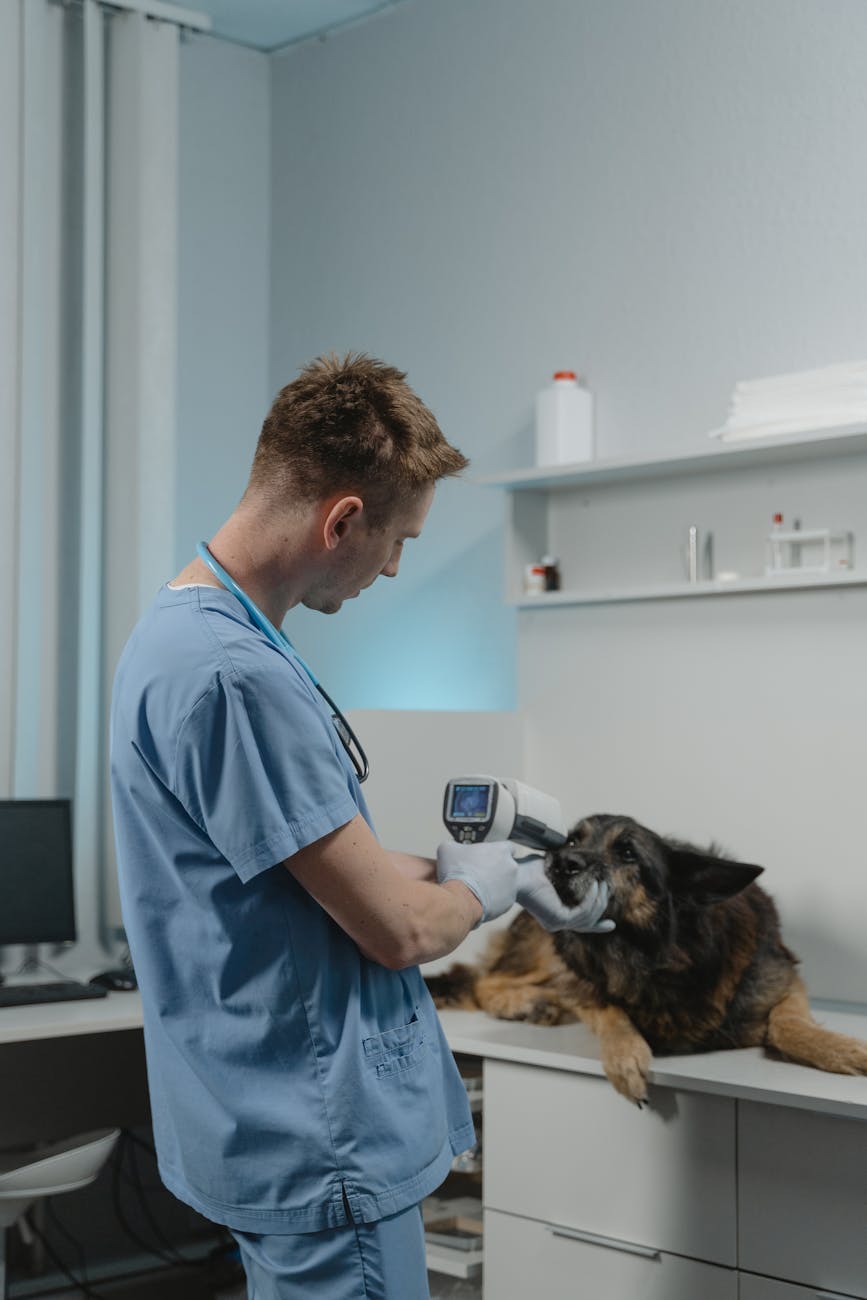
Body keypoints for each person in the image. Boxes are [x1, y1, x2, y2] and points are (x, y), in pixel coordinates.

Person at [109, 353, 612, 1299]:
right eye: (398, 542)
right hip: (318, 1131)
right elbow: (400, 933)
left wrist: (459, 865)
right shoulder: (234, 676)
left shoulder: (182, 634)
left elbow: (301, 865)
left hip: (262, 1119)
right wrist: (487, 887)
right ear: (342, 518)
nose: (391, 565)